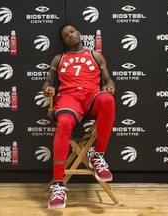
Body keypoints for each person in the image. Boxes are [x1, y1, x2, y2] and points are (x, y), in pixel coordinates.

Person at [42, 23, 116, 209]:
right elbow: (47, 83)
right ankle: (58, 185)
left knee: (107, 100)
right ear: (64, 41)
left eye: (72, 32)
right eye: (66, 35)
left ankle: (97, 156)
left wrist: (110, 86)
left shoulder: (95, 55)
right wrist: (47, 89)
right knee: (65, 121)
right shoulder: (58, 59)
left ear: (79, 33)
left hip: (91, 96)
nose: (70, 36)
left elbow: (108, 80)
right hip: (68, 98)